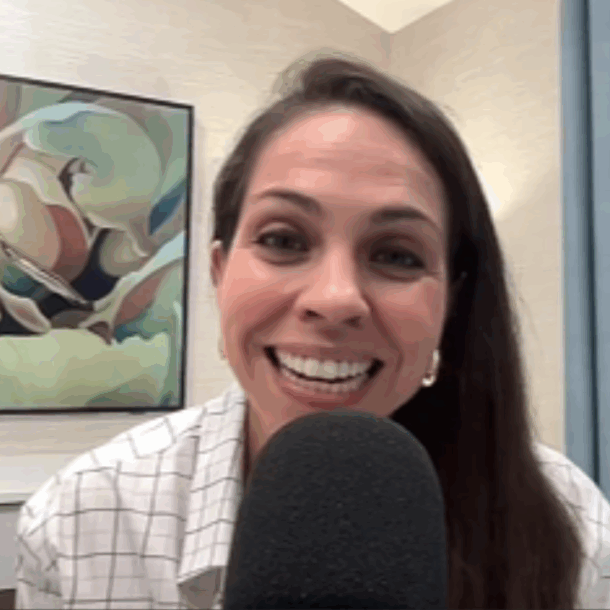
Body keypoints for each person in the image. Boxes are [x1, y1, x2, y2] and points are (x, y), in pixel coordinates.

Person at [14, 51, 610, 610]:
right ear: (220, 273)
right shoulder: (79, 518)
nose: (335, 299)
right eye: (283, 240)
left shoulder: (570, 519)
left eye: (396, 255)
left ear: (451, 302)